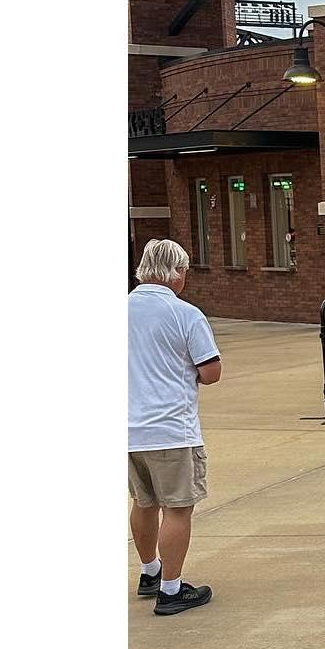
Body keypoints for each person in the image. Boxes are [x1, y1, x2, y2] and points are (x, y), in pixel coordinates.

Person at [128, 238, 223, 617]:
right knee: (178, 508)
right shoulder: (185, 314)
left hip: (127, 428)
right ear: (177, 272)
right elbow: (211, 372)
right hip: (170, 428)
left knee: (143, 502)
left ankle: (149, 571)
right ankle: (171, 589)